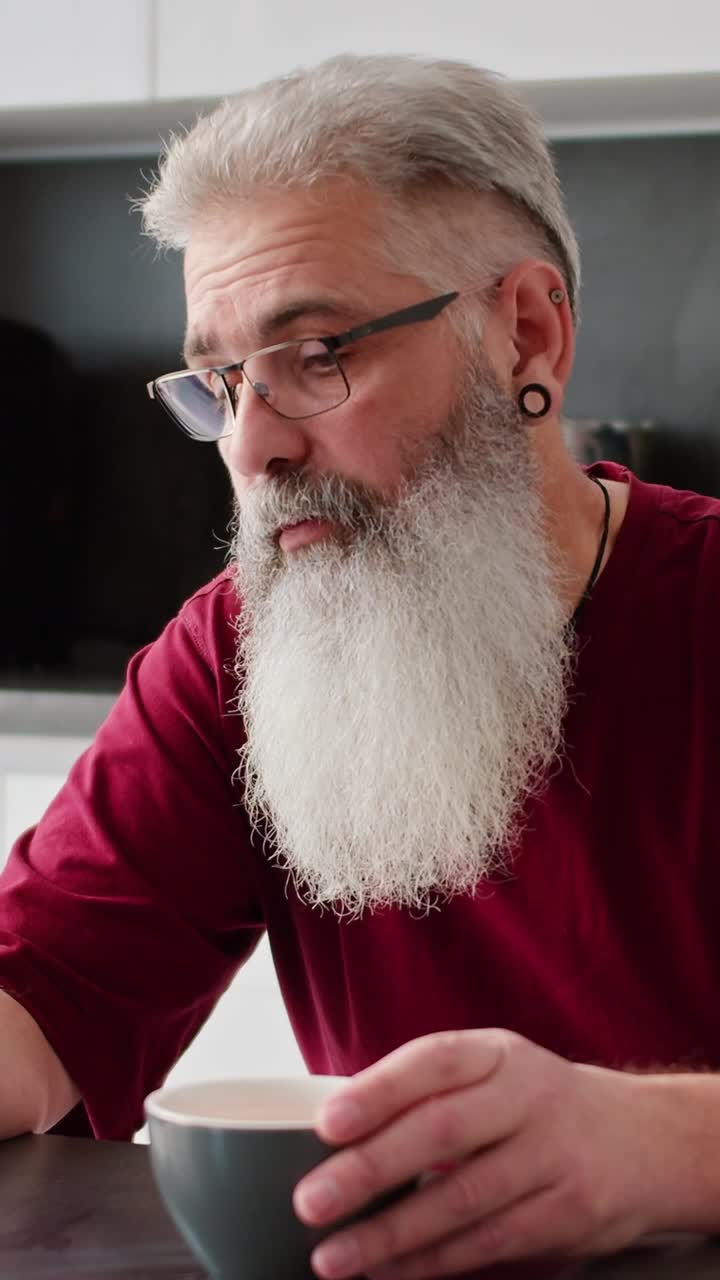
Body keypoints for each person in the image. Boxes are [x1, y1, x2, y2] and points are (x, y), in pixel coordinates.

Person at [2, 52, 720, 1279]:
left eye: (318, 352)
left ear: (527, 332)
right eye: (222, 381)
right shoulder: (235, 652)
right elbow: (42, 992)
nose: (252, 445)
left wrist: (664, 1143)